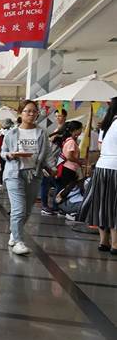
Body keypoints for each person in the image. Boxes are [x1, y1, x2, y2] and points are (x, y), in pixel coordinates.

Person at [1, 100, 56, 256]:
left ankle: (14, 234)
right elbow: (3, 152)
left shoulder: (41, 133)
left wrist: (52, 167)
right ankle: (18, 242)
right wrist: (10, 155)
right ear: (20, 113)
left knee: (27, 210)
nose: (31, 114)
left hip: (34, 174)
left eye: (34, 111)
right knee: (18, 209)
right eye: (27, 111)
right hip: (14, 174)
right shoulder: (11, 133)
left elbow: (47, 153)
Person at [79, 98, 117, 255]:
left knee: (101, 204)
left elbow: (101, 147)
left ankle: (103, 242)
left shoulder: (105, 125)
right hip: (115, 168)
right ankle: (115, 244)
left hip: (101, 168)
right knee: (114, 206)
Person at [41, 108, 69, 214]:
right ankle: (47, 205)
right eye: (56, 116)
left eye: (60, 116)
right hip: (51, 160)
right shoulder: (57, 129)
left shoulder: (65, 130)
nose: (58, 118)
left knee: (55, 184)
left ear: (65, 117)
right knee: (47, 183)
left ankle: (54, 205)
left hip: (58, 160)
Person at [52, 120, 84, 208]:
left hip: (67, 168)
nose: (81, 131)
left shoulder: (68, 140)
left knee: (61, 188)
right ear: (75, 130)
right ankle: (58, 206)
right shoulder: (71, 142)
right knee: (64, 189)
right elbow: (69, 156)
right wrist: (79, 161)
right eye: (80, 129)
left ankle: (57, 206)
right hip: (68, 168)